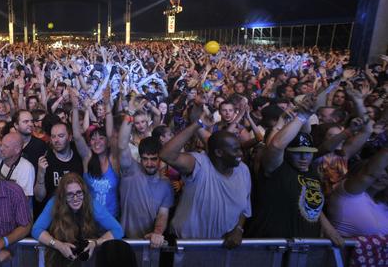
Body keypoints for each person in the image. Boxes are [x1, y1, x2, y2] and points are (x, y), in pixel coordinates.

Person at [246, 96, 344, 247]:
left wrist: (328, 228)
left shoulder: (311, 170)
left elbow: (308, 201)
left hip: (306, 246)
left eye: (308, 152)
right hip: (272, 247)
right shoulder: (276, 168)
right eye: (298, 152)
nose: (304, 157)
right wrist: (301, 116)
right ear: (288, 153)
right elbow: (276, 145)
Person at [160, 111, 251, 248]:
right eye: (235, 150)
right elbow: (166, 154)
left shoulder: (243, 170)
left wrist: (238, 229)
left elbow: (244, 209)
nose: (240, 154)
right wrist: (198, 124)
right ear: (219, 153)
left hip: (222, 247)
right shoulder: (199, 164)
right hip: (186, 246)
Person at [31, 172, 123, 266]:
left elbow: (118, 230)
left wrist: (95, 243)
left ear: (84, 192)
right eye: (70, 194)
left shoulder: (91, 203)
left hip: (86, 260)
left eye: (79, 193)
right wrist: (59, 245)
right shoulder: (55, 203)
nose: (75, 198)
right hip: (58, 258)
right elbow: (36, 230)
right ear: (63, 196)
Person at [118, 113, 173, 246]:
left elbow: (163, 214)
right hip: (124, 239)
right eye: (145, 159)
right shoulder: (130, 170)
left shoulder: (166, 185)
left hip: (149, 241)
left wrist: (157, 233)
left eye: (153, 159)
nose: (149, 164)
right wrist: (129, 116)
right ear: (140, 158)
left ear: (160, 158)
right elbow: (122, 146)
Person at [326, 148, 388, 237]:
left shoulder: (382, 205)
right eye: (376, 176)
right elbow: (370, 173)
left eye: (385, 177)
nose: (379, 178)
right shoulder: (347, 194)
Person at [34, 122, 84, 203]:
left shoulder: (79, 157)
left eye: (61, 136)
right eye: (53, 137)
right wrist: (41, 173)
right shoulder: (45, 160)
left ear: (70, 137)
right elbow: (39, 197)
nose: (56, 140)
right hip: (55, 210)